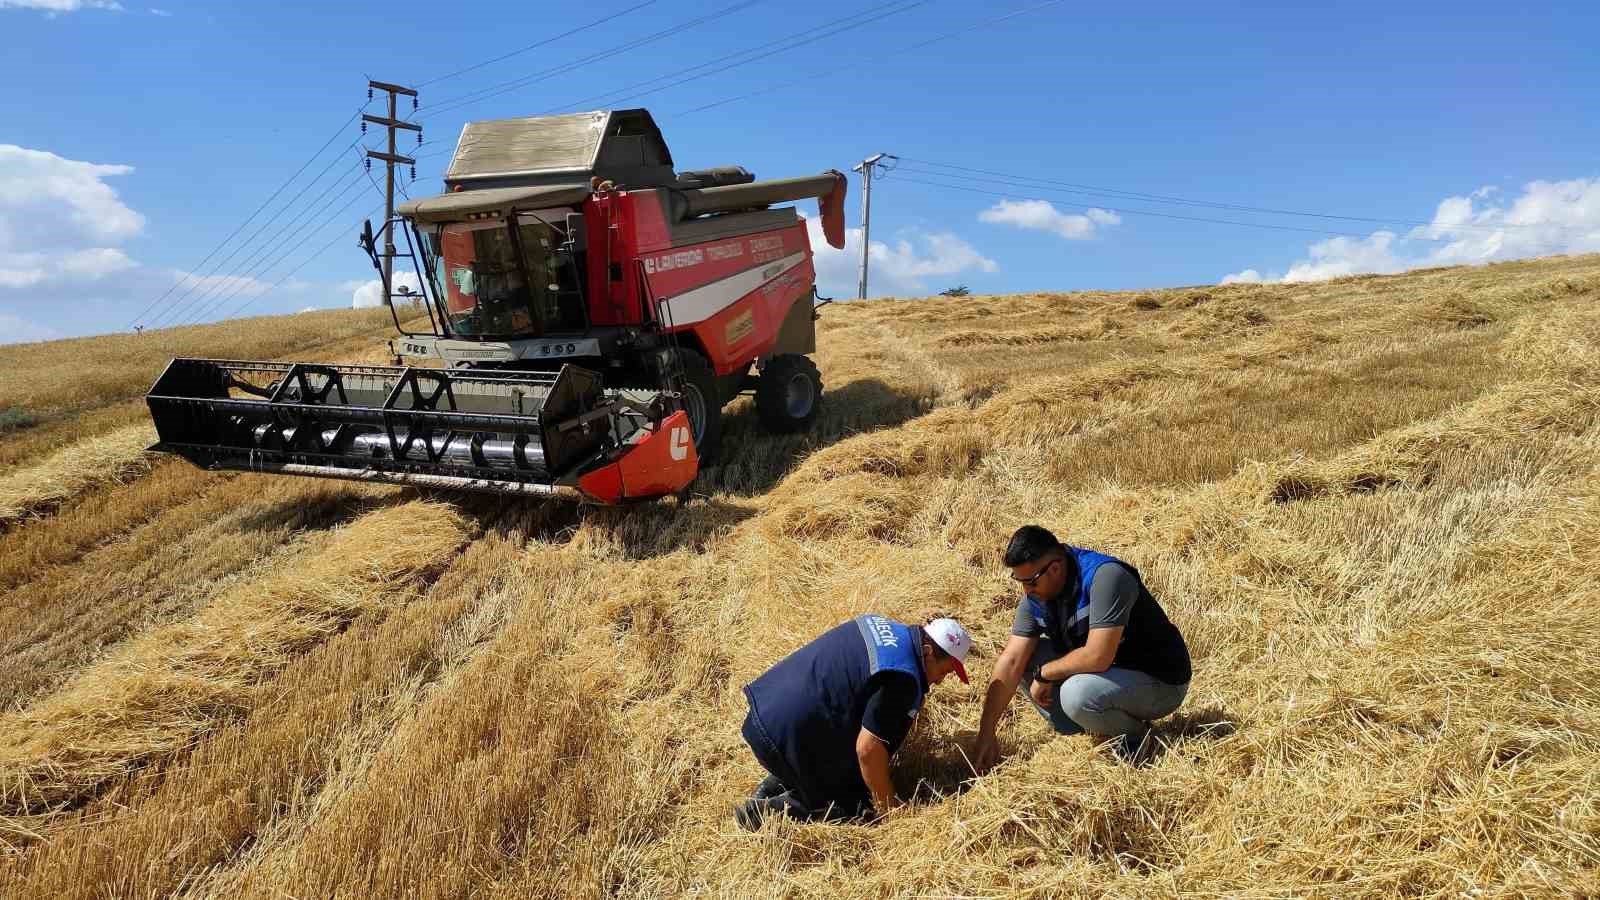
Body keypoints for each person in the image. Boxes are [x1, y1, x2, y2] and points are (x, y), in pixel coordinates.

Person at [973, 525, 1190, 770]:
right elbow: (1011, 660)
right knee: (1026, 658)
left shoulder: (1106, 577)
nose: (1026, 591)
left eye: (1030, 582)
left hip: (1160, 681)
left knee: (1076, 694)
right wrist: (986, 731)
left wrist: (1044, 673)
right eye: (1019, 581)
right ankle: (1088, 726)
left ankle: (1138, 735)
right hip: (1108, 677)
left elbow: (1098, 657)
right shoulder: (1036, 598)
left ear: (1054, 568)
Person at [736, 615, 973, 830]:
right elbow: (868, 750)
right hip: (780, 738)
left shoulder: (883, 627)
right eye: (945, 671)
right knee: (857, 806)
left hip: (766, 713)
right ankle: (768, 812)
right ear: (928, 651)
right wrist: (890, 809)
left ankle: (781, 779)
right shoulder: (903, 677)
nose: (941, 681)